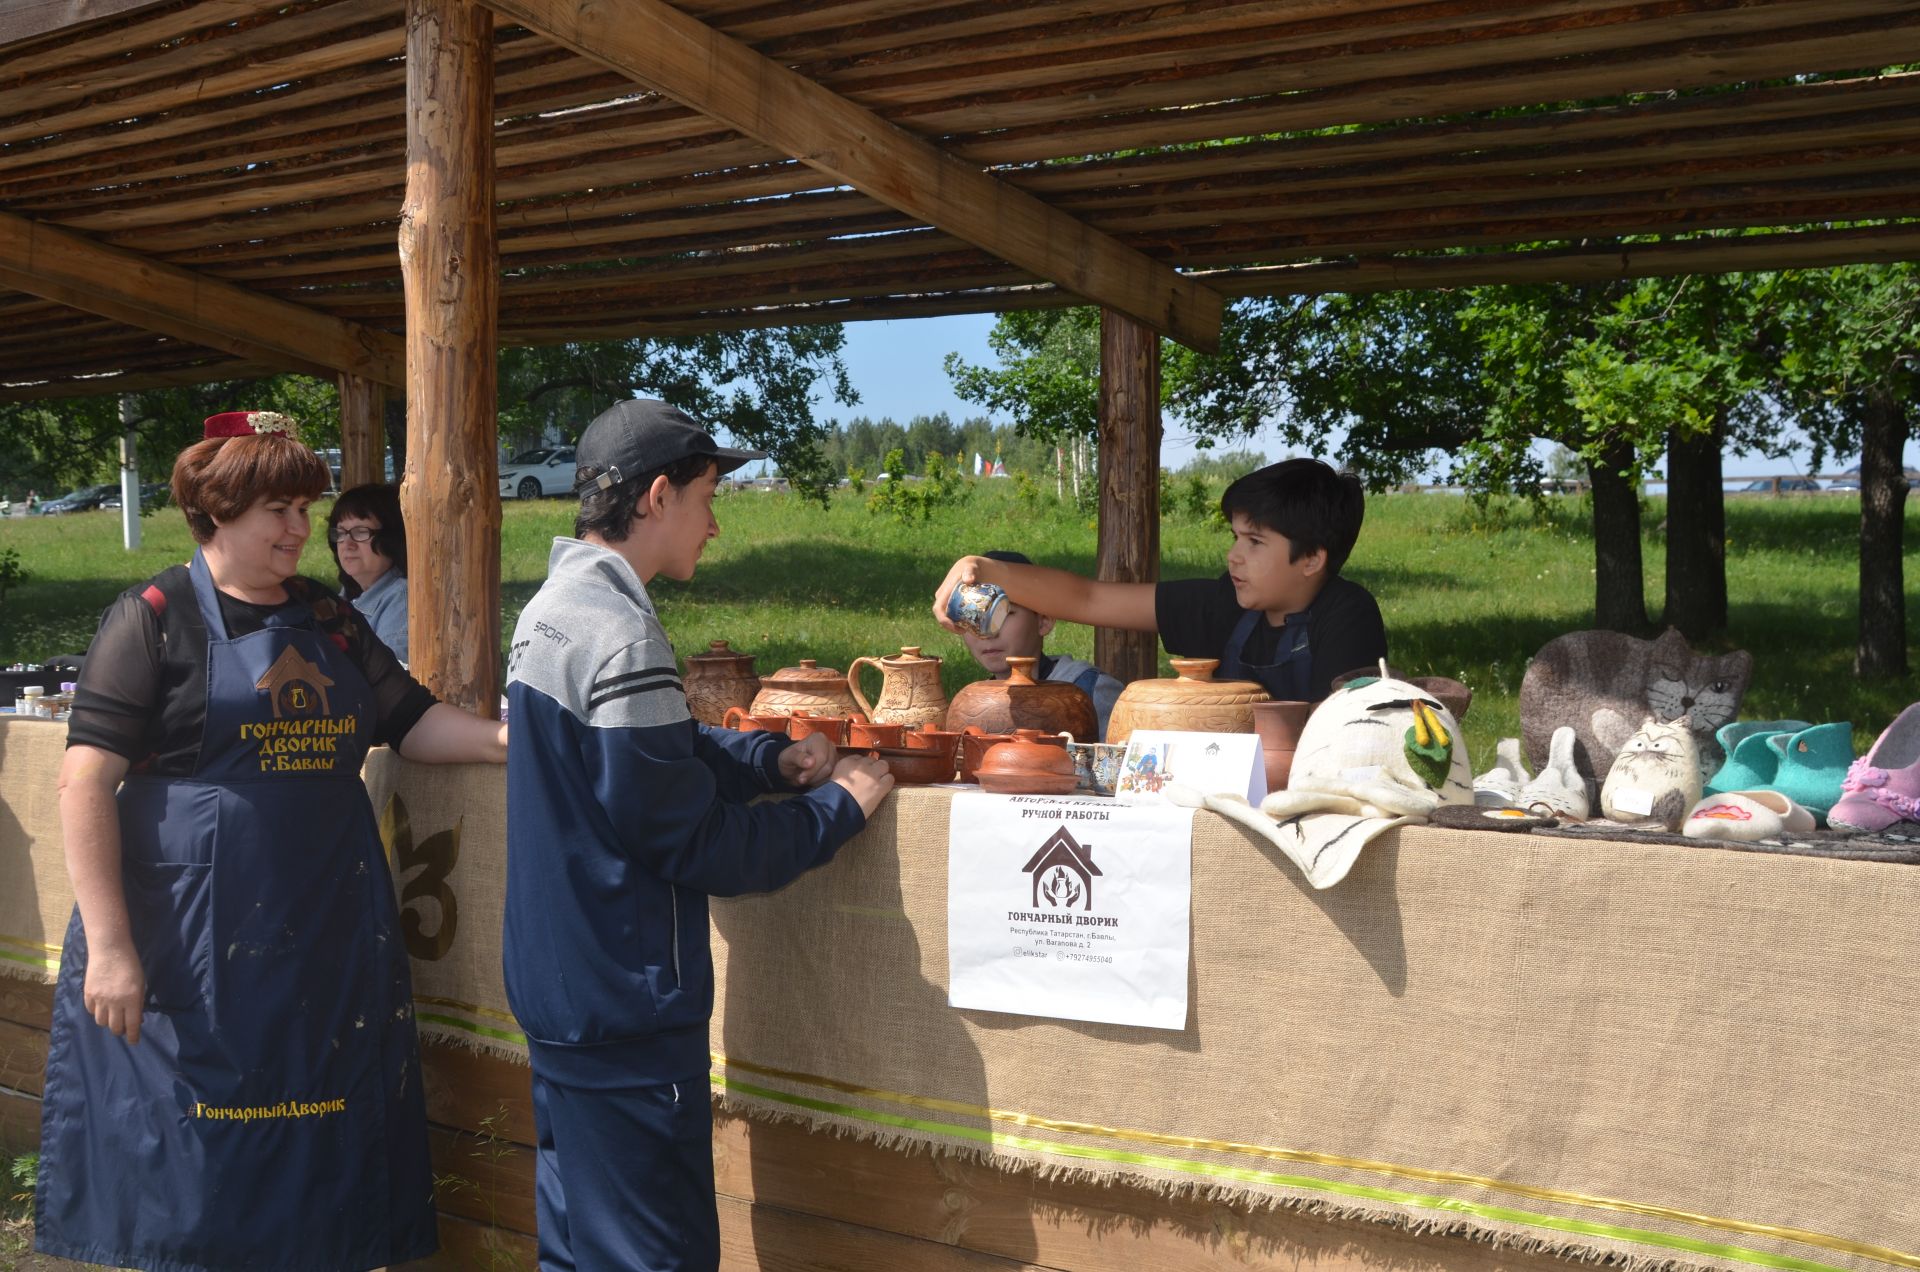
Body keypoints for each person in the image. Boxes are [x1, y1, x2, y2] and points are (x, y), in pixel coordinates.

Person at [37, 410, 508, 1272]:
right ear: (218, 512)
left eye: (305, 510)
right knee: (202, 1150)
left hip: (324, 922)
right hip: (189, 935)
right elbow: (83, 784)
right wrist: (109, 947)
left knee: (321, 1118)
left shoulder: (329, 619)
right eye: (280, 512)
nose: (302, 530)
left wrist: (508, 743)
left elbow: (412, 722)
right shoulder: (154, 619)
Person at [504, 398, 891, 1272]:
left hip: (565, 990)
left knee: (577, 1254)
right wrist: (839, 808)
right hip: (627, 1007)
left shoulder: (552, 607)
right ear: (655, 496)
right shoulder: (621, 631)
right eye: (708, 494)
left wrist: (763, 763)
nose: (715, 523)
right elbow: (696, 844)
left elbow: (643, 754)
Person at [935, 458, 1387, 704]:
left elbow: (1345, 733)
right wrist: (984, 569)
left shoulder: (1348, 615)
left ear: (1311, 559)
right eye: (1234, 537)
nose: (1234, 555)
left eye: (1254, 541)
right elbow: (1090, 599)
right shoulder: (1224, 604)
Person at [960, 549, 1125, 738]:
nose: (985, 633)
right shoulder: (970, 704)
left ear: (1044, 620)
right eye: (973, 618)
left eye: (1002, 615)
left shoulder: (1092, 691)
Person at [327, 482, 410, 662]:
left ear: (392, 539)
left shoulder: (401, 604)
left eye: (360, 532)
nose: (347, 544)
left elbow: (389, 685)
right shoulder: (350, 592)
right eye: (341, 532)